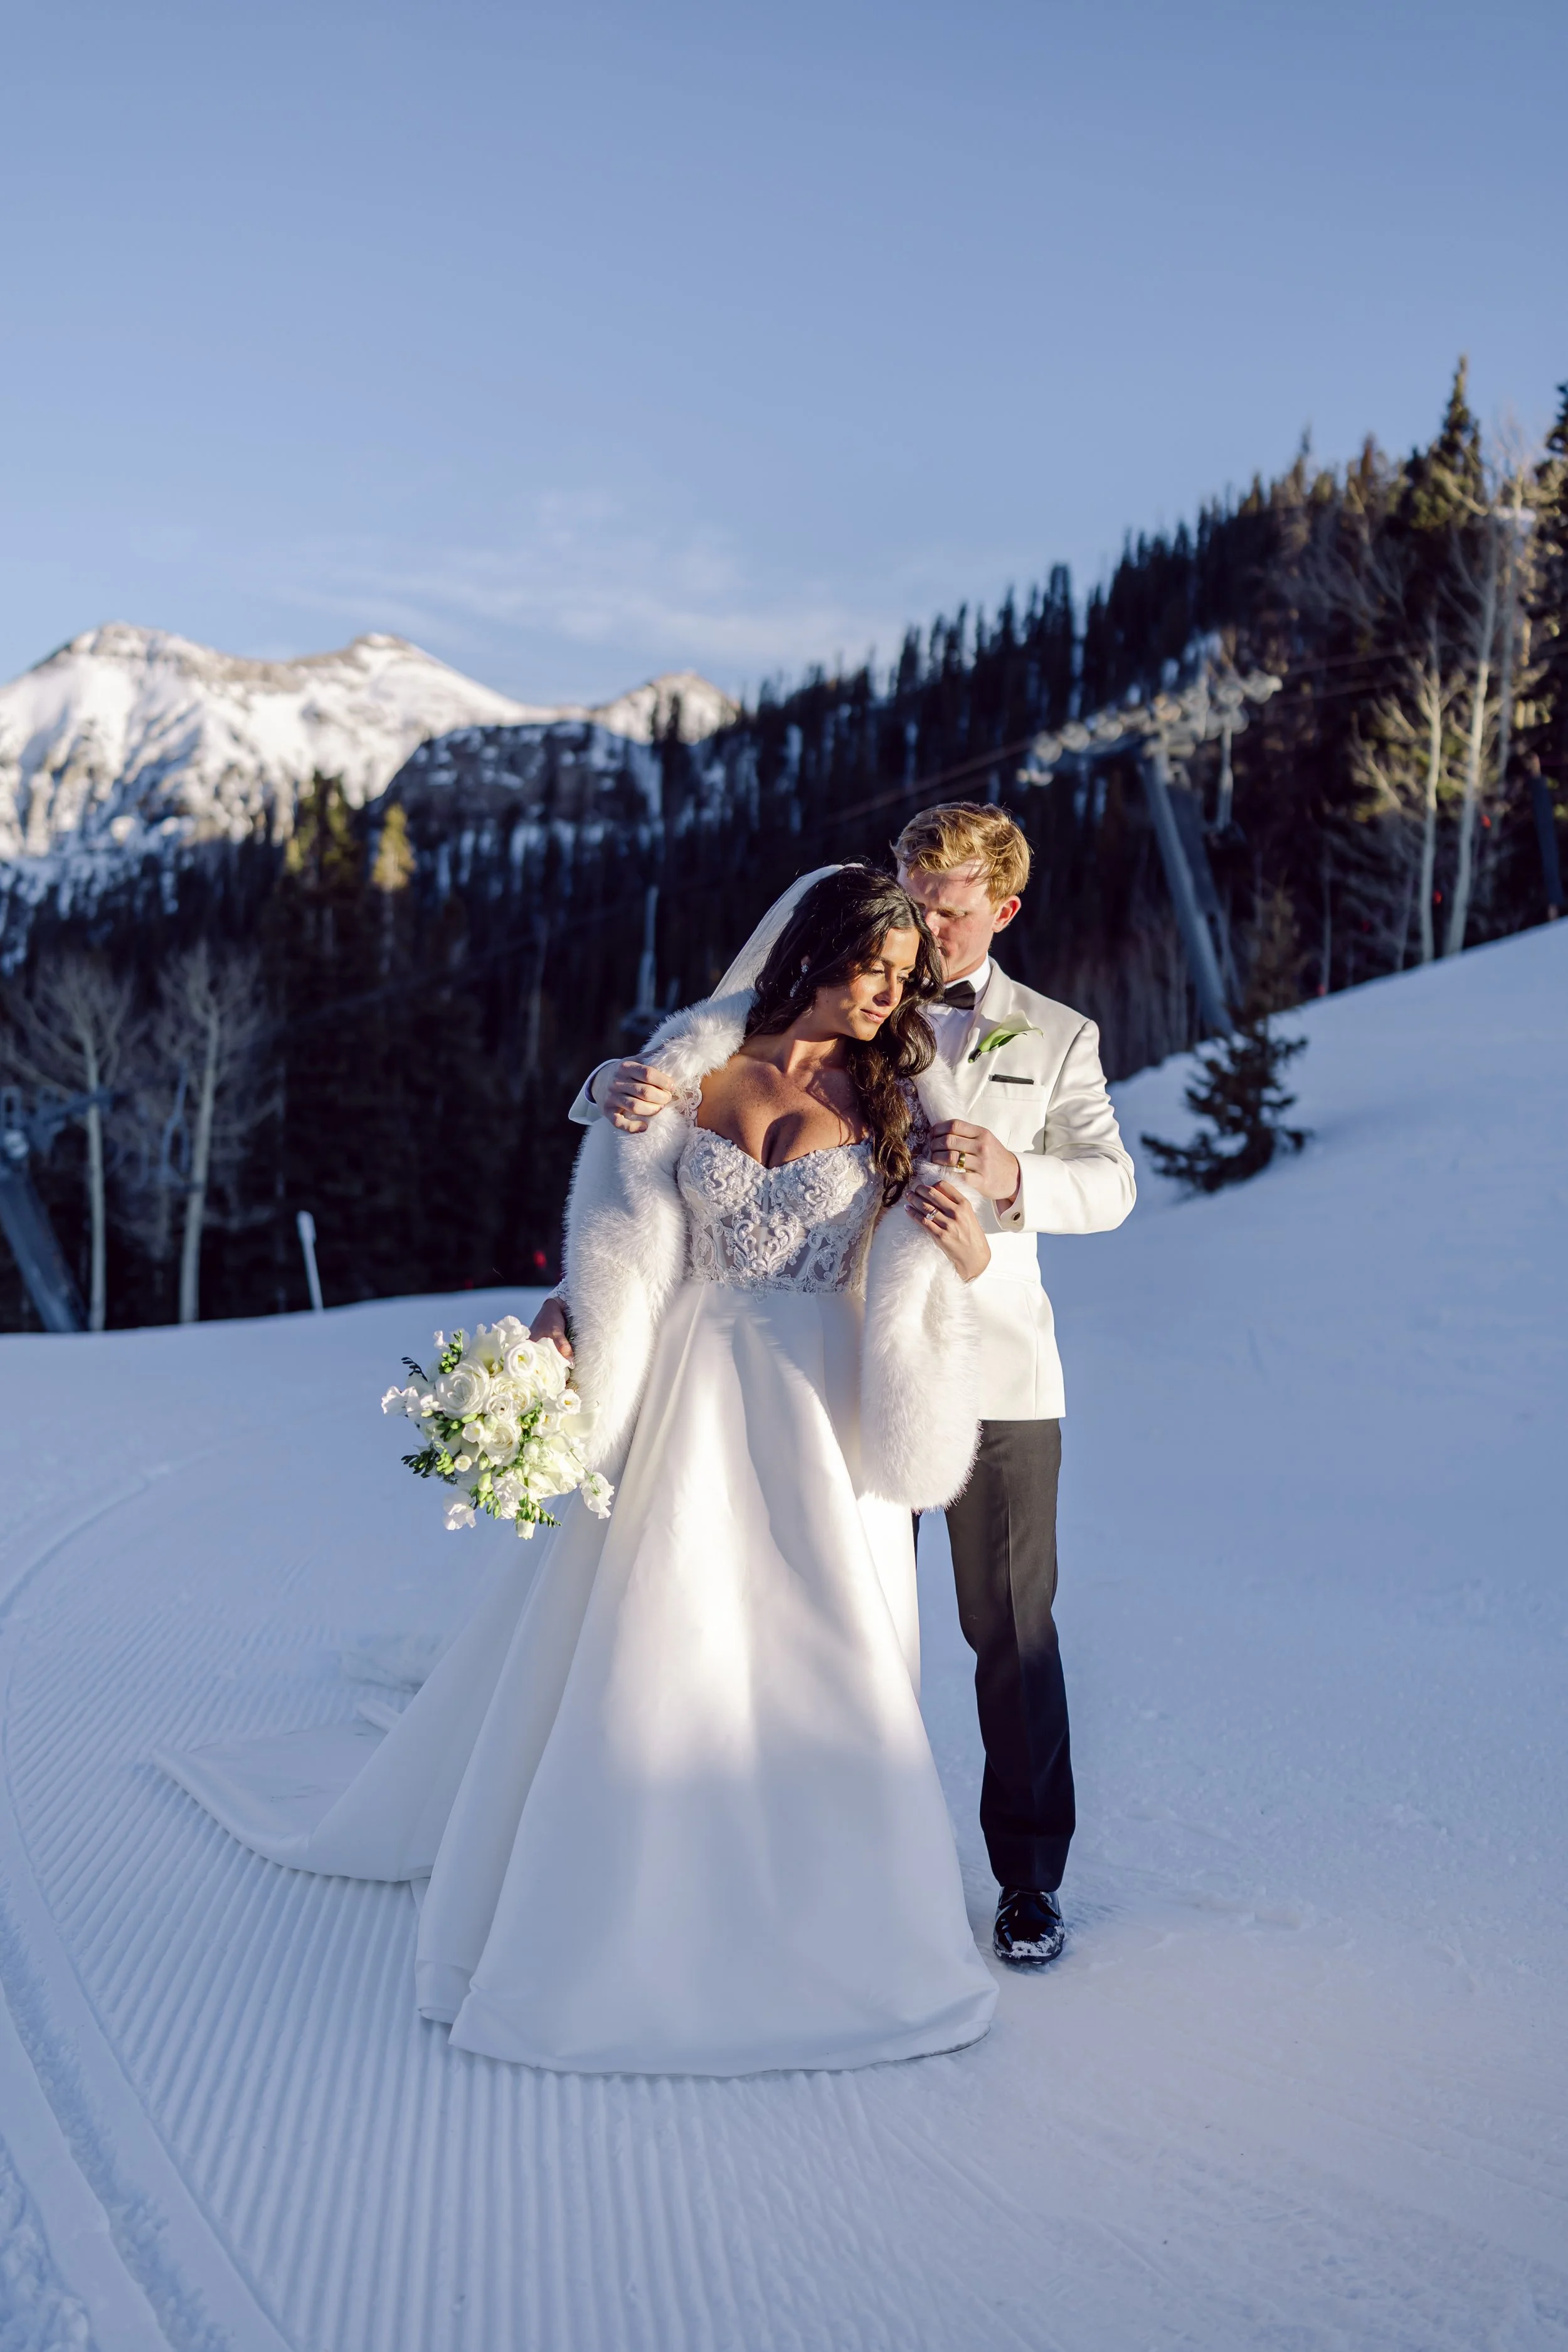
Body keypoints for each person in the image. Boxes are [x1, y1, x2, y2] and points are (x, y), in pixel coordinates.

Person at [157, 866, 999, 2075]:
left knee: (827, 1654)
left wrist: (964, 1256)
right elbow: (624, 1223)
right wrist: (571, 1309)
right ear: (815, 949)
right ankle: (610, 1915)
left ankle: (844, 1927)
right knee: (654, 1638)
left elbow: (945, 1236)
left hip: (822, 1405)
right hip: (679, 1388)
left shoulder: (904, 1094)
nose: (887, 994)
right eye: (872, 966)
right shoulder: (691, 1062)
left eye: (906, 978)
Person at [562, 804, 1135, 1968]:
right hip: (824, 1368)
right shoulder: (858, 988)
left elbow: (1114, 1186)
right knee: (823, 1621)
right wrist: (601, 1087)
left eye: (948, 908)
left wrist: (1016, 1178)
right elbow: (680, 1067)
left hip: (992, 1368)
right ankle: (813, 1844)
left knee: (1008, 1629)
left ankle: (1027, 1882)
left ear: (1003, 911)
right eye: (912, 896)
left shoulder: (1057, 1036)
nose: (922, 926)